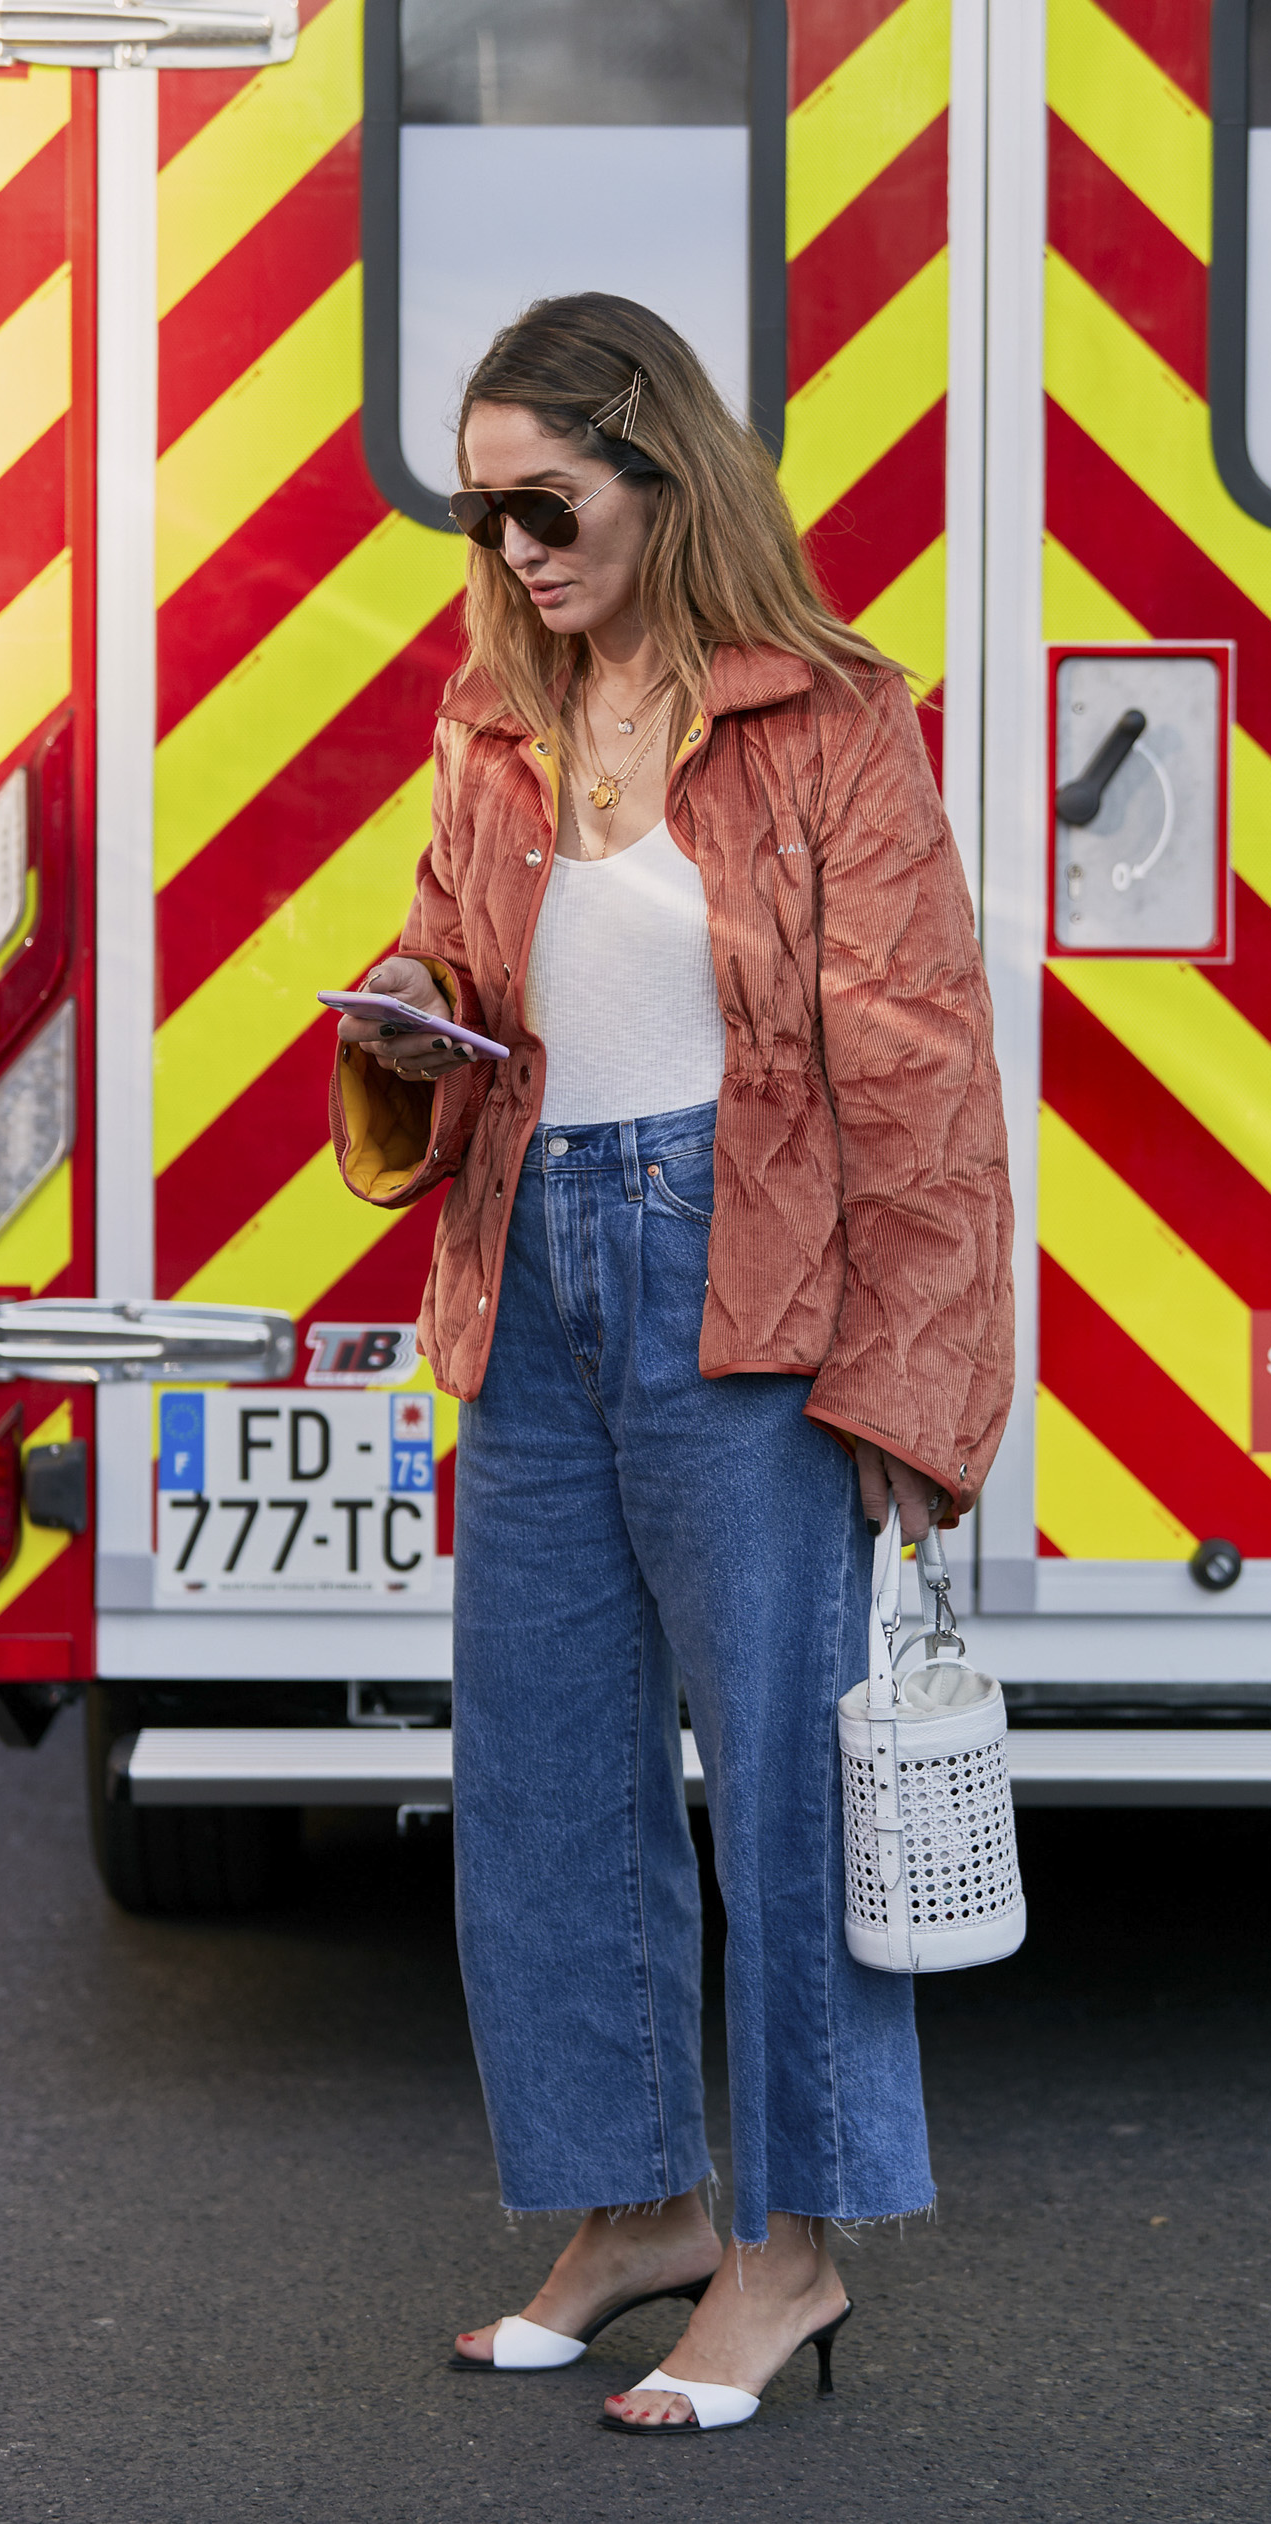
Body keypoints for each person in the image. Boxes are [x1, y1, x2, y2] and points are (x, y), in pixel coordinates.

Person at [330, 293, 1014, 2434]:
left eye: (552, 500)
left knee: (787, 1804)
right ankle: (632, 2210)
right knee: (545, 1778)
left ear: (659, 473)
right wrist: (405, 1003)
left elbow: (918, 1068)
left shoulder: (821, 720)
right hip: (534, 1266)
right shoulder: (495, 726)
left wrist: (915, 1392)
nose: (518, 547)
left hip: (751, 1275)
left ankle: (790, 2256)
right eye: (484, 511)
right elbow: (476, 963)